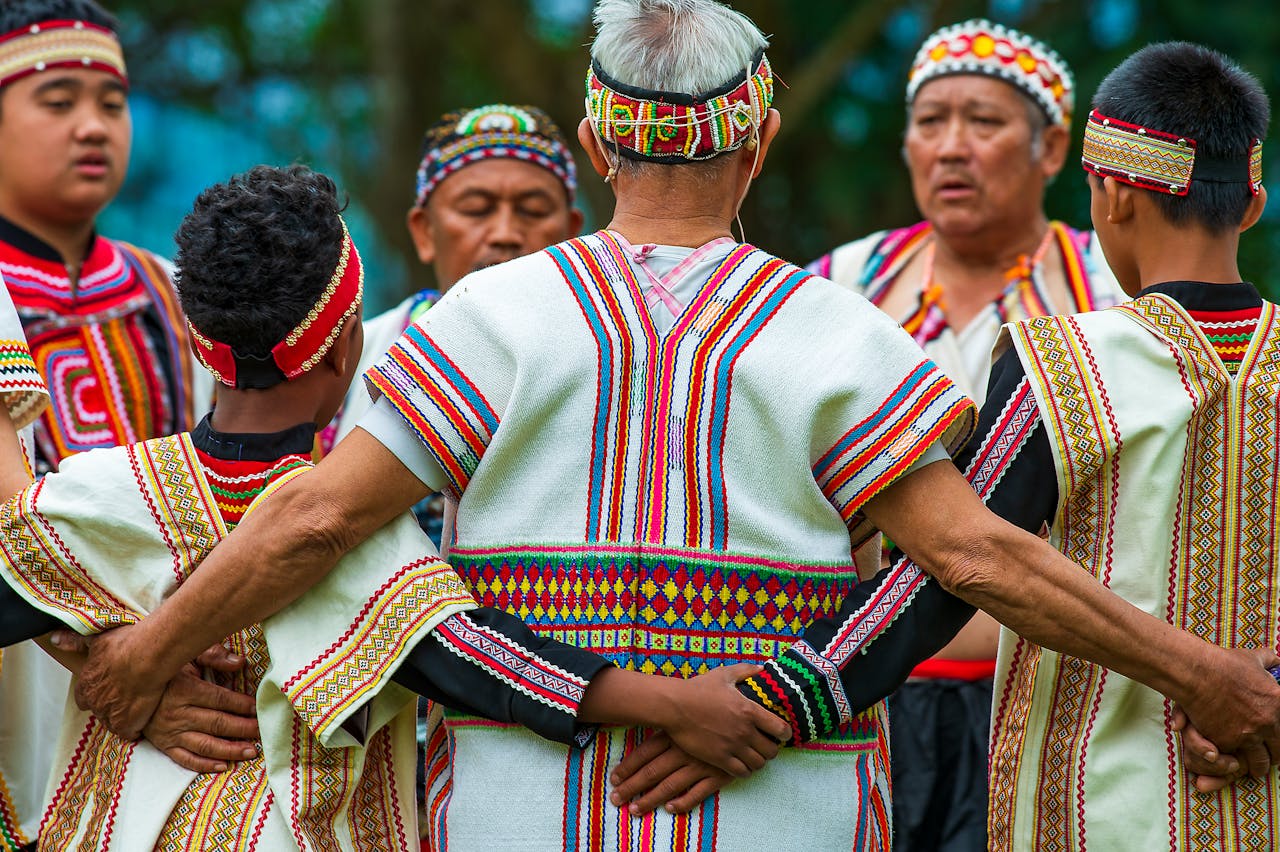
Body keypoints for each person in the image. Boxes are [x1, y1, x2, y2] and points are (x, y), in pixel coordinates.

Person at [69, 2, 1280, 850]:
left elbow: (313, 519)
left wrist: (146, 652)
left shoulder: (485, 321)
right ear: (756, 144)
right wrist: (1207, 675)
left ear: (596, 144)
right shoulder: (840, 333)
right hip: (782, 807)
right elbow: (968, 559)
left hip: (513, 806)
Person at [0, 163, 785, 850]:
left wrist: (108, 653)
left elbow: (21, 586)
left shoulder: (101, 495)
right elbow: (483, 663)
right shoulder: (351, 537)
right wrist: (676, 701)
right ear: (348, 346)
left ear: (199, 339)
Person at [808, 20, 1126, 849]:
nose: (952, 148)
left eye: (983, 122)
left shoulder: (1109, 294)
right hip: (868, 694)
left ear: (1051, 148)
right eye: (930, 121)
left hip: (1058, 700)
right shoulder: (837, 287)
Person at [965, 43, 1275, 850]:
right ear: (1250, 204)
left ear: (1110, 196)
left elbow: (953, 568)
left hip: (1090, 812)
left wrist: (786, 699)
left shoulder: (1058, 363)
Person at [0, 3, 213, 849]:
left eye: (112, 102)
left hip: (186, 682)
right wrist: (125, 674)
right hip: (31, 667)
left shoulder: (176, 289)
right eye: (57, 100)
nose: (92, 126)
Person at [322, 103, 584, 545]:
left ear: (572, 233)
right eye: (477, 209)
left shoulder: (605, 360)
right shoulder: (356, 358)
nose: (505, 233)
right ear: (424, 232)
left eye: (534, 210)